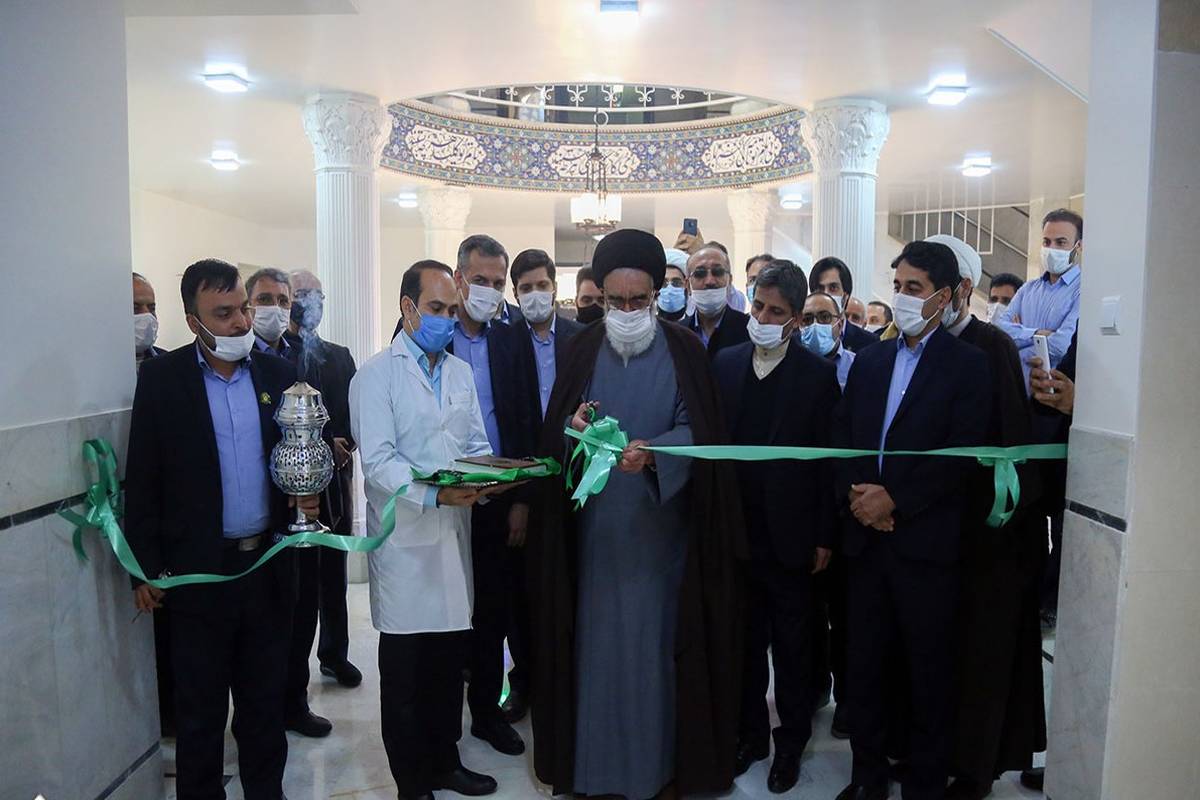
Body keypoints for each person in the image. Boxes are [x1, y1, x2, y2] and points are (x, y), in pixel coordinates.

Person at [527, 229, 745, 800]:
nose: (627, 312)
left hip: (661, 538)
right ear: (600, 296)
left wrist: (656, 454)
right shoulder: (579, 349)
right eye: (615, 301)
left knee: (654, 657)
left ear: (657, 294)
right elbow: (557, 434)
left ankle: (654, 771)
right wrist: (573, 429)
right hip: (594, 540)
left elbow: (700, 433)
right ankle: (593, 772)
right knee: (595, 655)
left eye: (638, 300)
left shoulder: (685, 350)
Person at [125, 258, 319, 800]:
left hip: (267, 570)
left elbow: (297, 459)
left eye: (242, 309)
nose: (240, 322)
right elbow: (143, 478)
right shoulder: (164, 381)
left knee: (263, 707)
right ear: (194, 322)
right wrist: (143, 569)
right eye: (224, 314)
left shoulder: (278, 375)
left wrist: (305, 497)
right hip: (198, 578)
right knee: (200, 713)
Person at [832, 240, 991, 800]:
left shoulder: (969, 366)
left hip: (925, 545)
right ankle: (868, 778)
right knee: (865, 669)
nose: (900, 297)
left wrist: (895, 499)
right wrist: (861, 498)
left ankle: (924, 783)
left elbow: (964, 455)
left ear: (943, 298)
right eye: (897, 286)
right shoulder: (872, 360)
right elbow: (844, 436)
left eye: (913, 289)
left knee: (928, 672)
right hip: (866, 542)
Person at [351, 259, 512, 800]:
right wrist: (436, 494)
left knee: (447, 664)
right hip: (404, 542)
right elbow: (378, 462)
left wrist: (495, 475)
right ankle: (411, 780)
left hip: (454, 536)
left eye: (451, 310)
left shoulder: (461, 372)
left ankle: (445, 761)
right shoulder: (376, 375)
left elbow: (474, 445)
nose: (446, 320)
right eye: (436, 308)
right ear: (408, 308)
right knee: (406, 675)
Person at [926, 235, 1047, 800]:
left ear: (960, 290)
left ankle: (975, 769)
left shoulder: (990, 346)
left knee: (982, 655)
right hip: (931, 532)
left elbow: (1004, 443)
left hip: (986, 533)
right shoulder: (915, 344)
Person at [713, 262, 840, 794]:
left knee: (793, 648)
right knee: (744, 643)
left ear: (795, 319)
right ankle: (750, 736)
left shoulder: (817, 375)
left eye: (776, 312)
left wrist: (825, 534)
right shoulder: (725, 363)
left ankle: (790, 742)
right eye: (759, 307)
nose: (763, 319)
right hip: (737, 531)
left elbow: (829, 462)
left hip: (792, 536)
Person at [449, 234, 529, 757]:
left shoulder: (510, 338)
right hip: (444, 498)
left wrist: (521, 498)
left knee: (494, 610)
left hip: (499, 495)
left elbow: (522, 418)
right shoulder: (429, 331)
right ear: (459, 278)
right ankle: (442, 718)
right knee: (448, 609)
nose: (489, 291)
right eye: (480, 280)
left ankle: (485, 712)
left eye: (498, 283)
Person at [502, 248, 584, 724]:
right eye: (526, 288)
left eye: (542, 285)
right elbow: (509, 425)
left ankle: (566, 678)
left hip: (574, 481)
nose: (535, 295)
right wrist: (520, 497)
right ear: (516, 294)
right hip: (525, 482)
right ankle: (524, 680)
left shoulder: (579, 338)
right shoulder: (504, 343)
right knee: (522, 590)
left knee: (570, 582)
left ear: (556, 287)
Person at [281, 270, 363, 731]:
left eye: (317, 295)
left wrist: (343, 442)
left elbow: (353, 416)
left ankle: (335, 654)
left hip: (335, 484)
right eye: (302, 295)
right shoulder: (276, 355)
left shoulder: (338, 356)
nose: (310, 302)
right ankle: (292, 681)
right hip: (293, 493)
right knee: (300, 587)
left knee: (334, 575)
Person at [994, 209, 1083, 388]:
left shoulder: (1083, 291)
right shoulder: (1028, 289)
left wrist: (1018, 336)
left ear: (1078, 246)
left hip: (1052, 394)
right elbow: (998, 331)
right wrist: (1038, 334)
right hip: (1015, 389)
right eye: (1046, 242)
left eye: (1061, 242)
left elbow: (1062, 346)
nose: (1052, 249)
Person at [685, 244, 750, 356]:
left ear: (729, 281)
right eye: (700, 273)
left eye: (718, 272)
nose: (709, 281)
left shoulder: (749, 330)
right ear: (687, 286)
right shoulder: (676, 334)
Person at [809, 256, 880, 353]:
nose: (826, 294)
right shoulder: (799, 337)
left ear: (845, 296)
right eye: (820, 289)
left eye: (833, 288)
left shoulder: (869, 342)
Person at [799, 290, 856, 389]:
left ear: (840, 325)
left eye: (825, 317)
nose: (815, 324)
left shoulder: (856, 365)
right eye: (807, 319)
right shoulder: (790, 365)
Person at [133, 272, 167, 368]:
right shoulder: (97, 364)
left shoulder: (170, 364)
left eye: (151, 308)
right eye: (135, 308)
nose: (147, 315)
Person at [657, 247, 690, 322]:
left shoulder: (695, 325)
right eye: (664, 283)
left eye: (676, 283)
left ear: (686, 285)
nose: (669, 289)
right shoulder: (647, 326)